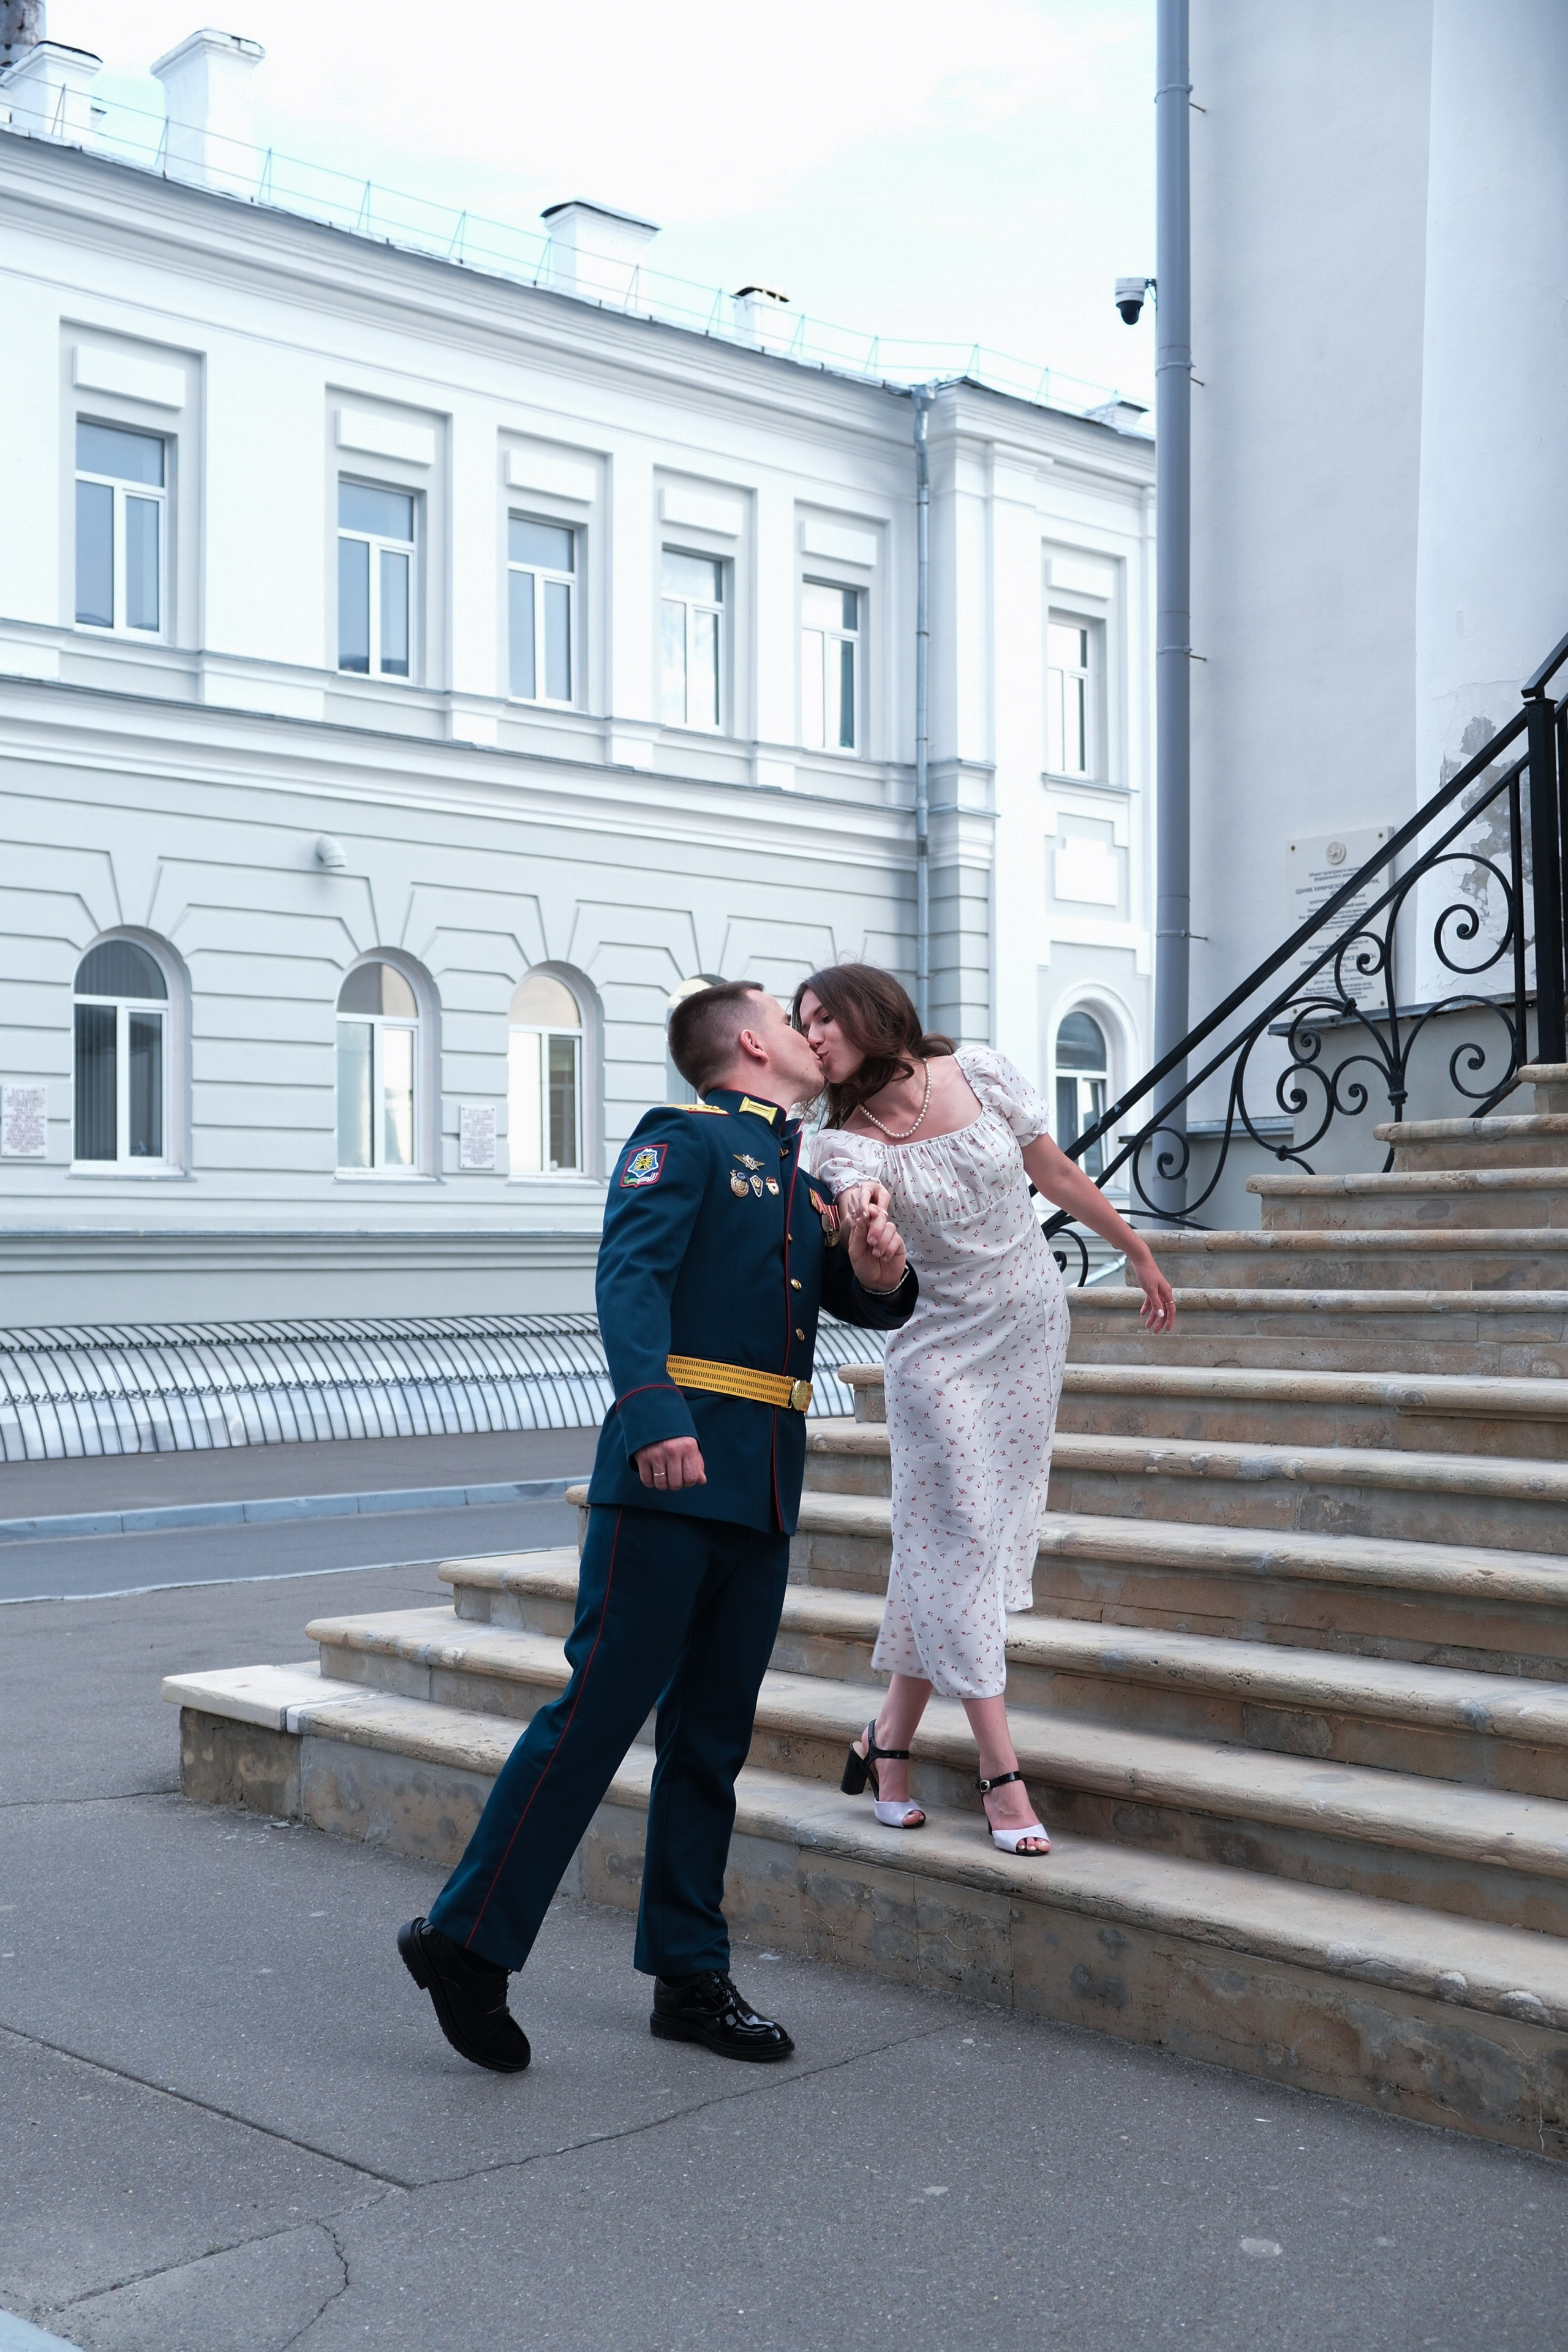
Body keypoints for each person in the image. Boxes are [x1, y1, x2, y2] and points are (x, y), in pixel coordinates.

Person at [398, 980, 917, 2073]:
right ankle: (464, 1939)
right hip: (673, 1476)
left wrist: (880, 1268)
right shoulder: (679, 1139)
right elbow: (628, 1279)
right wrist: (649, 1418)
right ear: (748, 1042)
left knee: (711, 1744)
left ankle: (689, 1977)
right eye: (789, 1015)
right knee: (595, 1716)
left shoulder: (793, 1170)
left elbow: (853, 1299)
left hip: (762, 1483)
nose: (807, 1032)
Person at [797, 963, 1174, 1856]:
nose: (810, 1035)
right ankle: (1001, 1775)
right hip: (936, 1353)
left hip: (1032, 1330)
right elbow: (857, 1204)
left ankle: (886, 1744)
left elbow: (1057, 1173)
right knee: (962, 1531)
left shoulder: (984, 1072)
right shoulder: (842, 1145)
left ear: (872, 1013)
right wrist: (862, 1213)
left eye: (822, 1017)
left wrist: (1140, 1251)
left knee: (957, 1542)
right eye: (798, 1023)